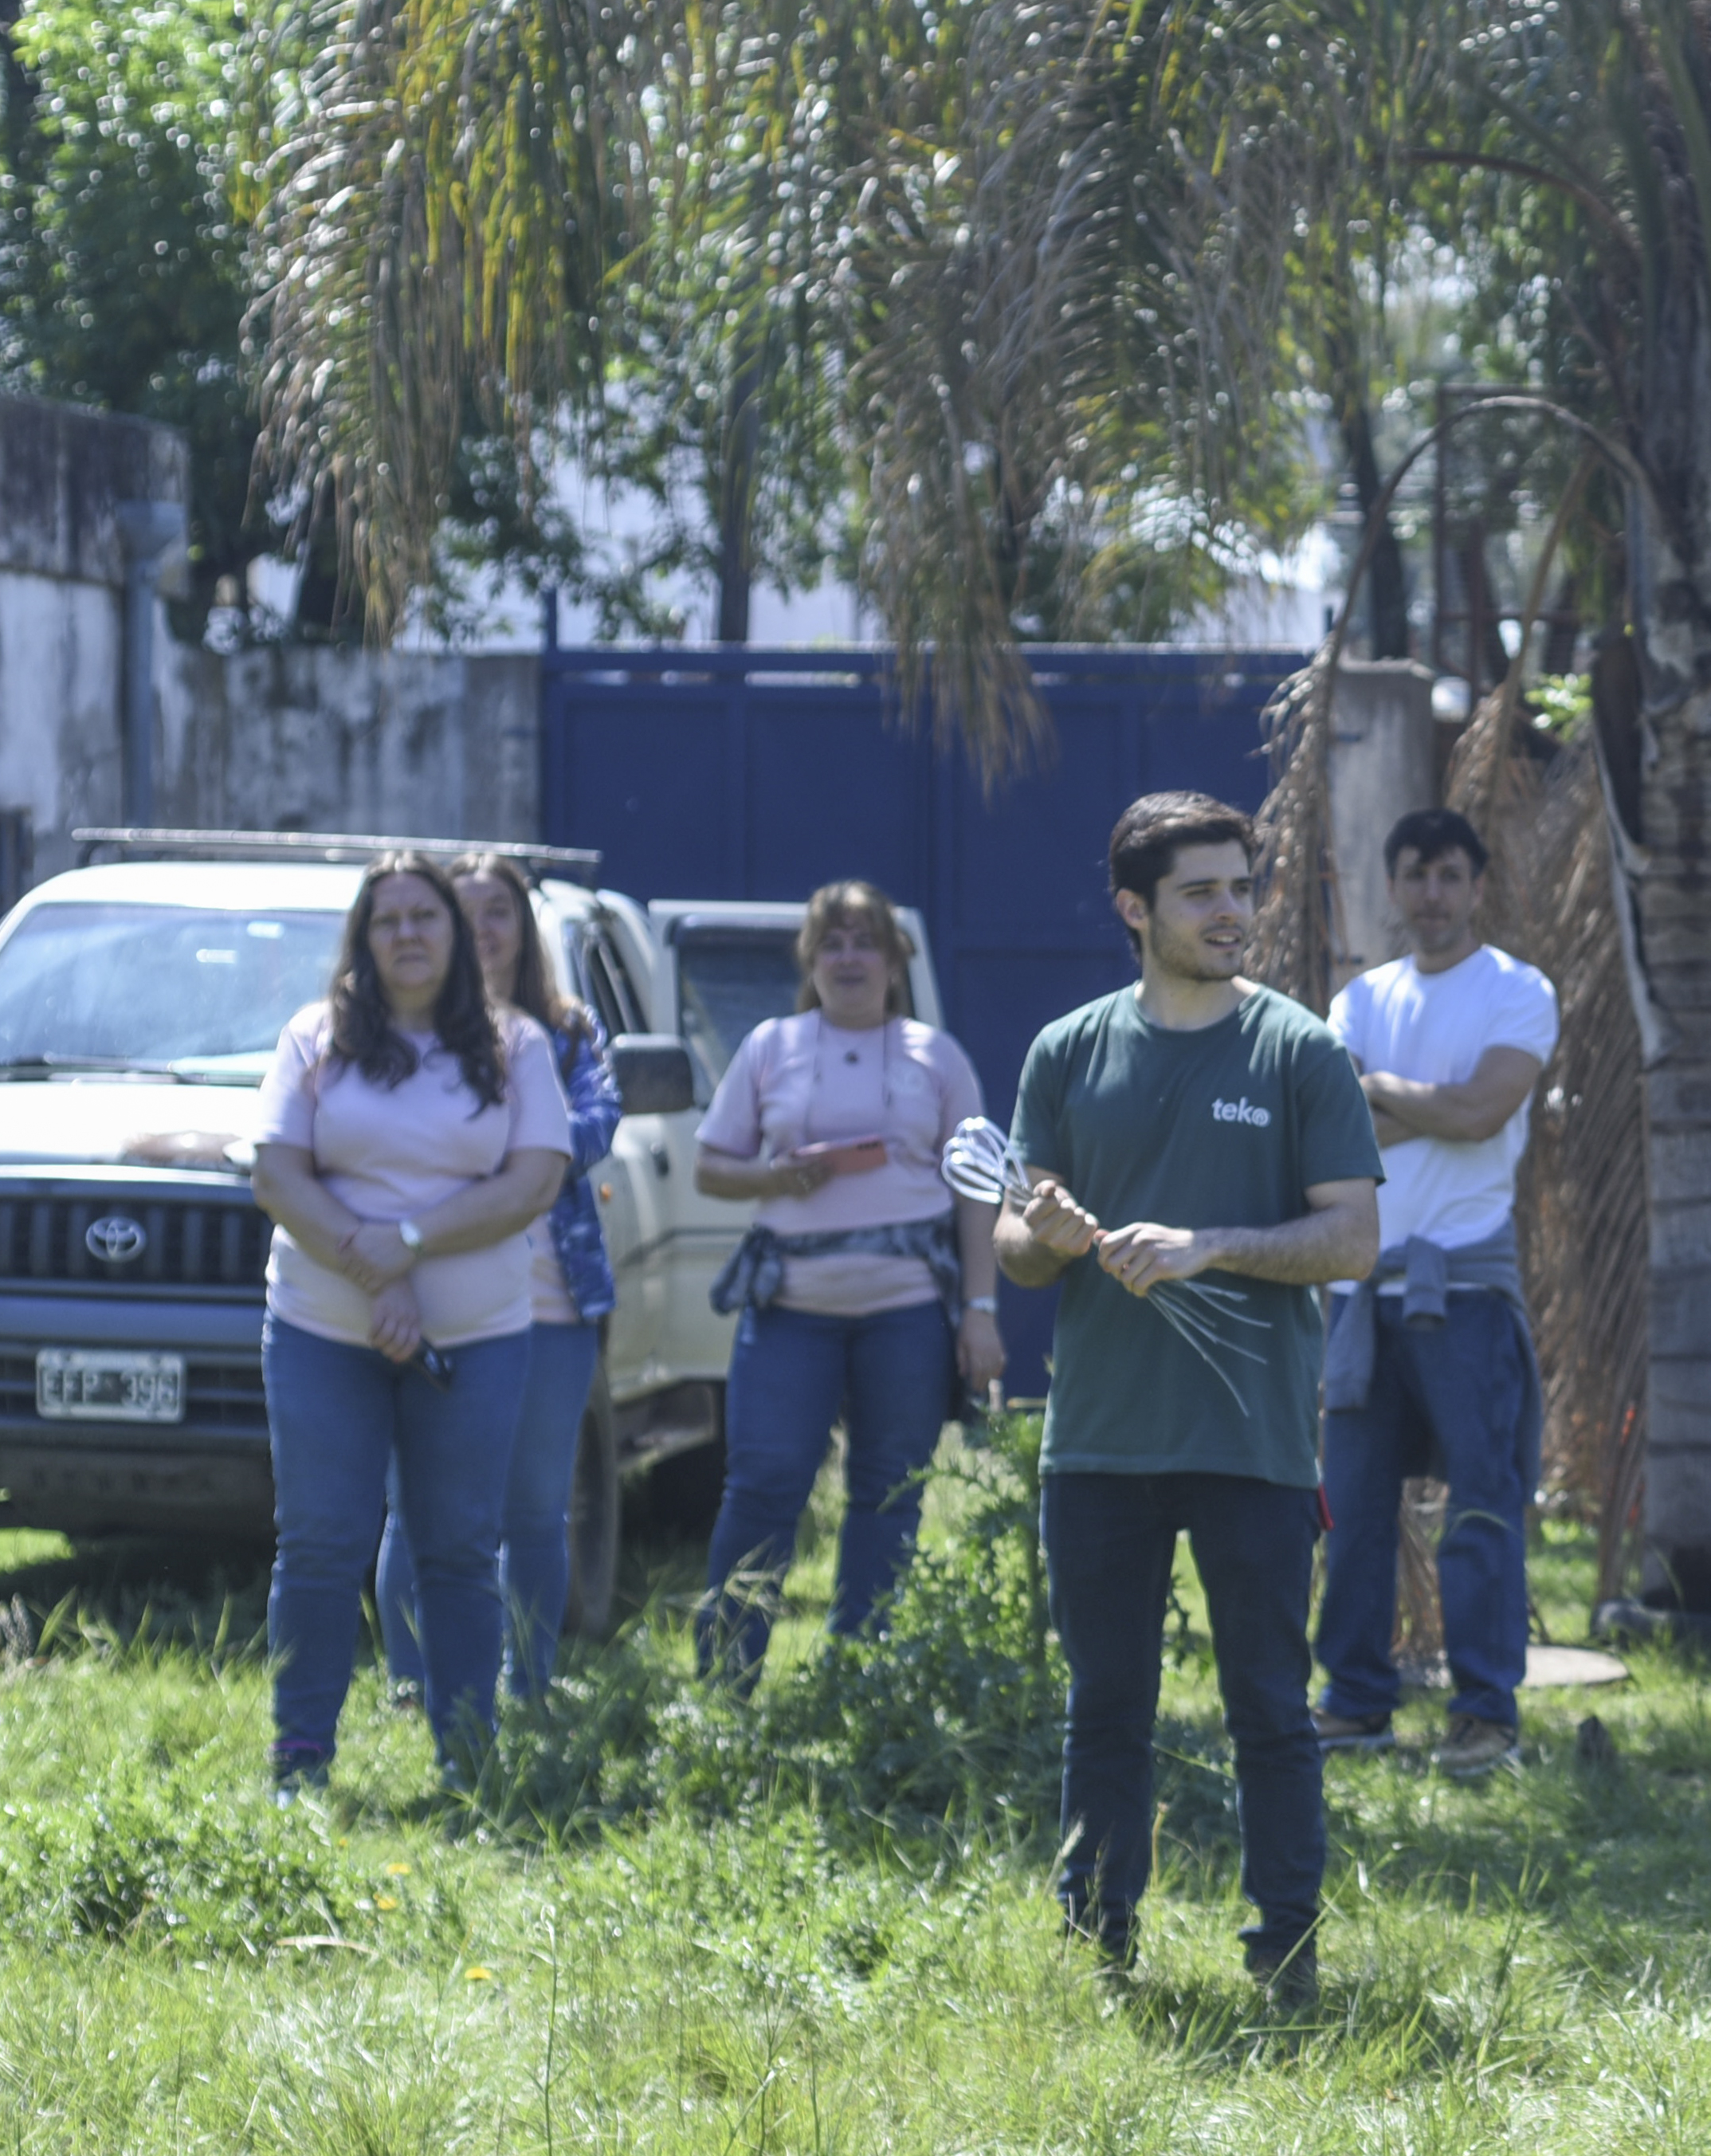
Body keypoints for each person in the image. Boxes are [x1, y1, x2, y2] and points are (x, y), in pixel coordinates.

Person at [1001, 793, 1381, 2007]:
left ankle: (1285, 1960)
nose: (1231, 911)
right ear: (1134, 907)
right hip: (1097, 1442)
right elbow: (1015, 1244)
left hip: (1253, 1441)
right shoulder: (1066, 1051)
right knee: (1105, 1707)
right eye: (1200, 892)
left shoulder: (1297, 1050)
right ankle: (1096, 1951)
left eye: (1240, 887)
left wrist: (1207, 1245)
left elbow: (1352, 1239)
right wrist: (1049, 1235)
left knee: (1268, 1708)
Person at [247, 853, 570, 1787]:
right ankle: (299, 1762)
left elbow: (534, 1181)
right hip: (322, 1333)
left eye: (424, 917)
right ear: (363, 940)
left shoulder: (516, 1045)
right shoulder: (313, 1037)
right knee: (320, 1545)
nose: (407, 935)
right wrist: (377, 1271)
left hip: (477, 1341)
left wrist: (411, 1243)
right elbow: (277, 1175)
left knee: (460, 1550)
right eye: (386, 921)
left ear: (456, 934)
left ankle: (467, 1760)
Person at [693, 879, 1007, 1682]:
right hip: (789, 1310)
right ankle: (724, 1682)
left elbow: (979, 1191)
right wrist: (772, 1176)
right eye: (831, 943)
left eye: (866, 942)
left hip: (907, 1313)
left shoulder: (938, 1056)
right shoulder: (770, 1045)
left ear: (895, 961)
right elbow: (709, 1167)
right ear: (809, 961)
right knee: (762, 1486)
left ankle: (859, 1679)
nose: (849, 958)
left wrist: (978, 1309)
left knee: (888, 1491)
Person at [1313, 807, 1564, 1777]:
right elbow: (1338, 1134)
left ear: (1477, 886)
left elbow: (1484, 1112)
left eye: (1450, 875)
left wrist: (1382, 1091)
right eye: (1415, 875)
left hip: (1467, 1290)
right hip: (1360, 1294)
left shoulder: (1516, 989)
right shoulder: (1358, 999)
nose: (1432, 894)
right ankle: (1354, 1703)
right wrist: (1442, 1105)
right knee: (1351, 1512)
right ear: (1393, 886)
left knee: (1481, 1510)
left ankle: (1485, 1714)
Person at [371, 853, 619, 1704]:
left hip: (553, 1302)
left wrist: (501, 1149)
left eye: (499, 913)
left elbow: (597, 1127)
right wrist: (510, 1152)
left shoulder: (569, 1031)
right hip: (441, 1298)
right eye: (465, 913)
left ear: (523, 927)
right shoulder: (406, 1034)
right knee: (418, 1506)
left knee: (536, 1507)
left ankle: (529, 1684)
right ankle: (413, 1687)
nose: (483, 930)